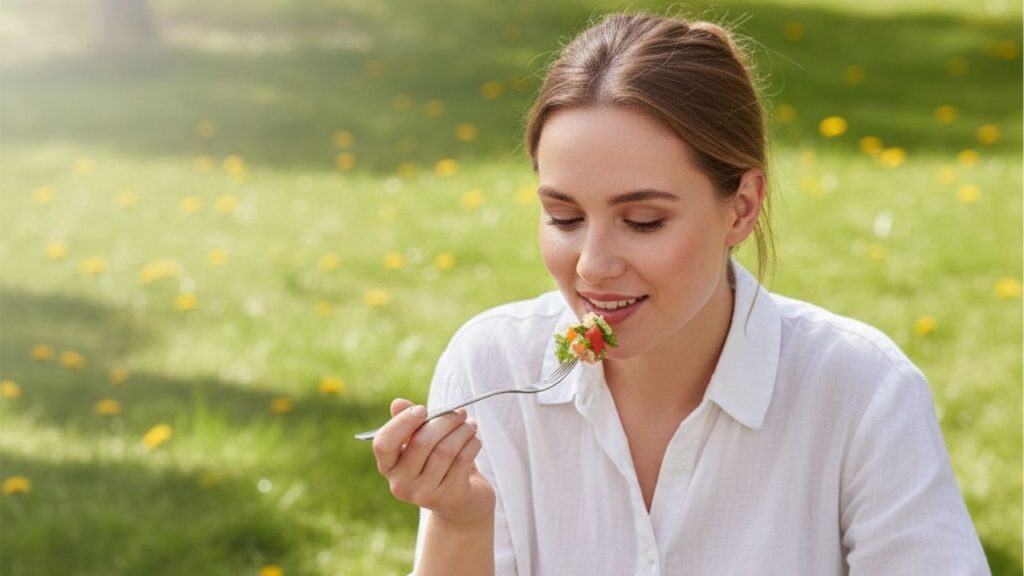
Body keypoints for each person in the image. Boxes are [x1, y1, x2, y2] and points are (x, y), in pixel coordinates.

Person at [369, 12, 990, 576]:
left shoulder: (861, 393)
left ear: (742, 208)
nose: (593, 265)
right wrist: (460, 519)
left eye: (643, 222)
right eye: (564, 217)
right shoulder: (489, 369)